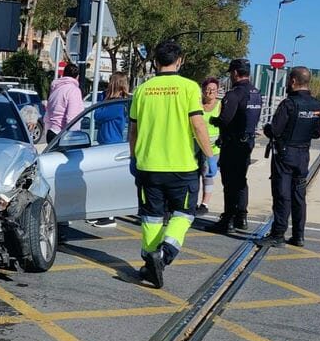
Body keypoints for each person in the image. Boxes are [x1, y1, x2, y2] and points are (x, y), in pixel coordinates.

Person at [130, 41, 216, 288]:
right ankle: (164, 254)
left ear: (155, 61)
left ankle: (149, 264)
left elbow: (133, 129)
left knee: (151, 217)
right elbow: (198, 125)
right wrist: (209, 156)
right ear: (180, 61)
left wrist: (134, 157)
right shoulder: (189, 88)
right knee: (184, 214)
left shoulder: (142, 90)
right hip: (182, 167)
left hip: (148, 166)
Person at [257, 66, 320, 247]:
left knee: (282, 194)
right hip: (303, 155)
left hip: (285, 155)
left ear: (293, 81)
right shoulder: (316, 105)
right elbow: (317, 133)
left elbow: (275, 130)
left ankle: (278, 234)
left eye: (288, 80)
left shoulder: (288, 104)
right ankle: (298, 235)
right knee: (299, 195)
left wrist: (267, 129)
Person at [210, 58, 262, 234]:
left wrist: (213, 120)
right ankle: (242, 217)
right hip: (247, 142)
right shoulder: (256, 93)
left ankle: (228, 219)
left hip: (232, 143)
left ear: (234, 73)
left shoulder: (234, 94)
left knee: (230, 182)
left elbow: (225, 119)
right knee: (241, 181)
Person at [88, 72, 130, 228]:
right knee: (101, 180)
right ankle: (100, 213)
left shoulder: (117, 104)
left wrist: (105, 99)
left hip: (111, 145)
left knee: (108, 181)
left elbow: (97, 115)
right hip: (106, 143)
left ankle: (109, 215)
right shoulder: (113, 102)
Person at [197, 77, 221, 216]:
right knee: (194, 174)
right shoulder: (198, 105)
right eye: (208, 89)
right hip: (196, 143)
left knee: (207, 174)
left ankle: (205, 203)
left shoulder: (220, 105)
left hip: (213, 146)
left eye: (213, 89)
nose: (210, 92)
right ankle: (191, 200)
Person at [44, 63, 85, 143]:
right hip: (63, 135)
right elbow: (72, 118)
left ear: (63, 74)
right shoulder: (73, 90)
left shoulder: (56, 89)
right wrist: (74, 139)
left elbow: (48, 113)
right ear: (77, 77)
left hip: (51, 132)